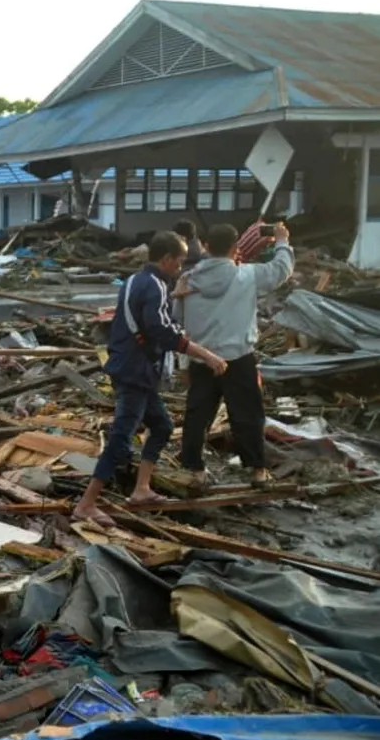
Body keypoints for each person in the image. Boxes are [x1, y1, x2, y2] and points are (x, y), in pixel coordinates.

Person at [73, 232, 228, 525]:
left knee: (162, 426)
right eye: (180, 262)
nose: (180, 268)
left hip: (129, 367)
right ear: (167, 259)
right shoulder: (155, 286)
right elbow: (163, 331)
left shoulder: (133, 281)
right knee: (121, 438)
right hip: (136, 371)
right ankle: (87, 503)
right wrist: (206, 354)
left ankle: (142, 489)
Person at [174, 222, 293, 487]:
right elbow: (281, 270)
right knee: (247, 414)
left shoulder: (188, 279)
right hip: (238, 358)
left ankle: (194, 470)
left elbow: (177, 318)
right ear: (235, 248)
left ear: (205, 246)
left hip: (201, 358)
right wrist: (282, 240)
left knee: (197, 414)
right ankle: (257, 471)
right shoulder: (247, 275)